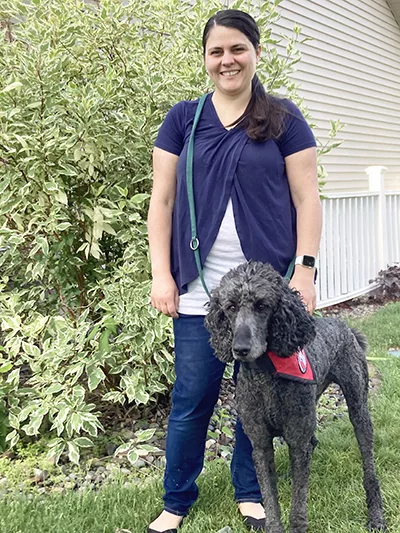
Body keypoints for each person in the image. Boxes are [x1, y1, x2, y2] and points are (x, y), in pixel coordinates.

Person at [147, 9, 322, 533]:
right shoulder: (184, 119)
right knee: (192, 398)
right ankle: (176, 499)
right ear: (206, 59)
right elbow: (162, 199)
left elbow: (307, 198)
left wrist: (306, 271)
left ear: (256, 53)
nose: (227, 59)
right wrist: (162, 272)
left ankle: (251, 492)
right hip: (204, 293)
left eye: (237, 48)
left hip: (268, 294)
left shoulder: (284, 118)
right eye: (216, 51)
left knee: (261, 397)